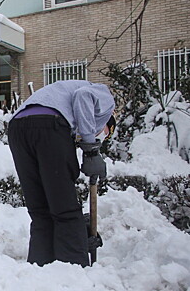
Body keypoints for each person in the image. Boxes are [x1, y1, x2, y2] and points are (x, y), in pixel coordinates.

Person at [7, 80, 116, 267]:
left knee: (41, 212)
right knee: (65, 210)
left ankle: (39, 270)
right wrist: (90, 149)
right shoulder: (105, 99)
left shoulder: (61, 95)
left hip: (17, 128)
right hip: (48, 126)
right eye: (104, 134)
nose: (99, 136)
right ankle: (73, 272)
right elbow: (84, 96)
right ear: (107, 121)